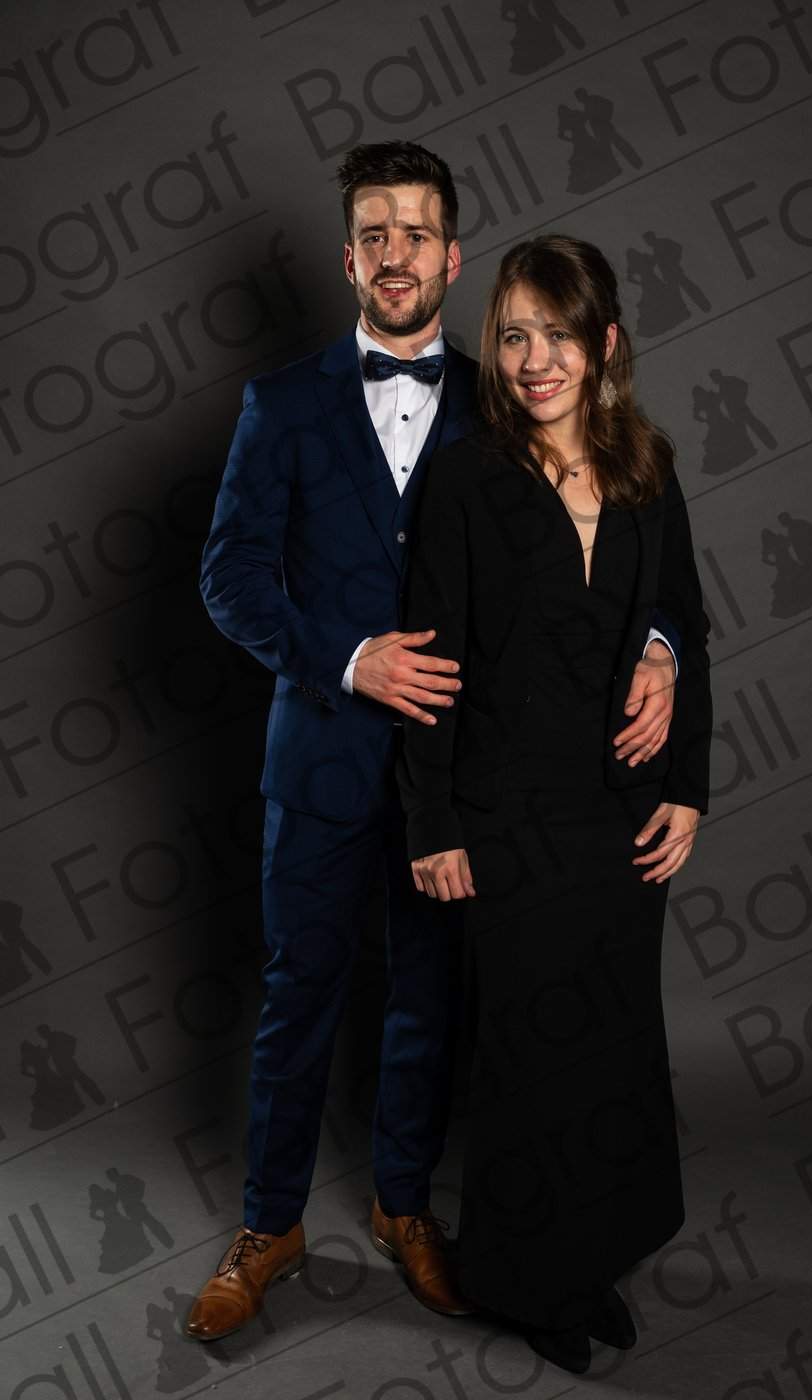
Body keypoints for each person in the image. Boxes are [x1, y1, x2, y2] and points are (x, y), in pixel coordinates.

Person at [191, 141, 681, 1342]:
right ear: (348, 257)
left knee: (425, 1000)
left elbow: (612, 543)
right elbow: (228, 576)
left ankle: (406, 1207)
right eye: (375, 234)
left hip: (461, 784)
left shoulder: (504, 397)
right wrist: (348, 656)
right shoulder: (281, 404)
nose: (395, 253)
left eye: (416, 232)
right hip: (319, 760)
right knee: (299, 995)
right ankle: (267, 1223)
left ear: (452, 258)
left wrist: (660, 643)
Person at [396, 234, 713, 1375]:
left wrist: (686, 787)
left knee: (614, 1048)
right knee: (530, 1056)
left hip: (621, 812)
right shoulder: (465, 478)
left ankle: (591, 1262)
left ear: (604, 343)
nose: (535, 361)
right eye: (515, 335)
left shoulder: (646, 469)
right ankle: (524, 1280)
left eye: (560, 335)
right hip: (506, 813)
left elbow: (683, 621)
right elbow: (429, 664)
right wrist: (432, 822)